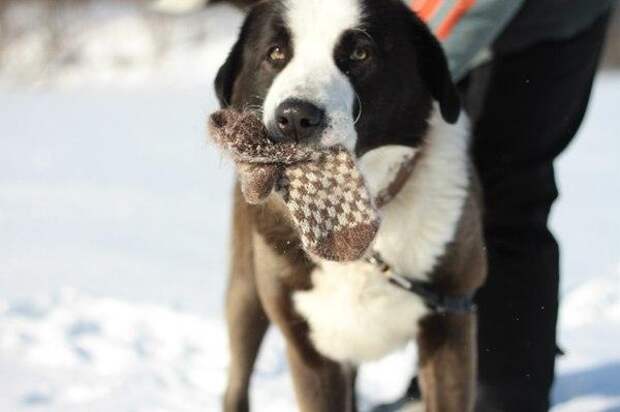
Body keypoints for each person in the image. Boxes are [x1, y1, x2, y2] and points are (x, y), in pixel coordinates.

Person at [377, 0, 616, 411]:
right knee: (454, 198)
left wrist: (410, 77)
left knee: (505, 194)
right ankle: (448, 379)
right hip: (471, 26)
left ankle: (504, 389)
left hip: (533, 26)